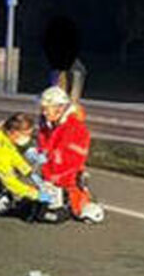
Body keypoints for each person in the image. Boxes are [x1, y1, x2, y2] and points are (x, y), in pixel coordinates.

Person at [0, 113, 56, 218]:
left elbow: (13, 155)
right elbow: (10, 182)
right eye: (26, 134)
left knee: (6, 185)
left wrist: (29, 172)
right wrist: (37, 195)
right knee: (2, 187)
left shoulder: (0, 135)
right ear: (14, 132)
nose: (28, 138)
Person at [36, 86, 104, 223]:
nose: (44, 113)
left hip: (65, 177)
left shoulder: (74, 127)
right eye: (42, 108)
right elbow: (43, 150)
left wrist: (50, 177)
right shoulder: (48, 126)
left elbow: (70, 160)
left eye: (46, 108)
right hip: (50, 175)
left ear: (59, 108)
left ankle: (76, 201)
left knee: (70, 211)